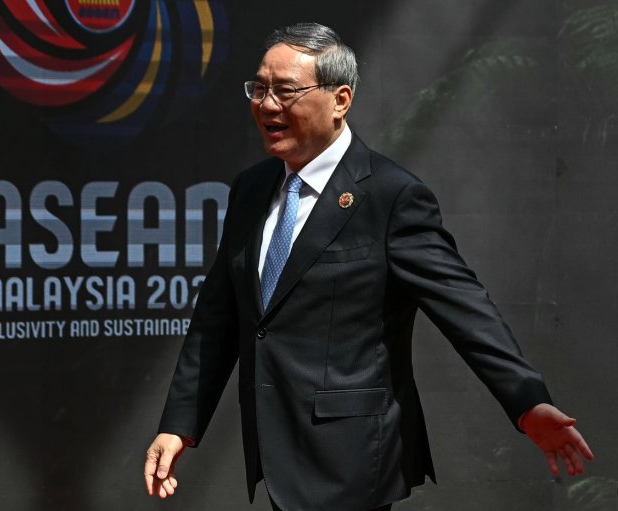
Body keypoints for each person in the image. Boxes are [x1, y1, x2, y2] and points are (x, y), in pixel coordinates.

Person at [144, 22, 593, 511]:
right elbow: (218, 318)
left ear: (340, 100)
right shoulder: (251, 190)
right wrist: (178, 425)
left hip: (352, 461)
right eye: (260, 88)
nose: (267, 105)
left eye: (286, 91)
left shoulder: (390, 196)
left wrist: (527, 402)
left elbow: (465, 309)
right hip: (274, 454)